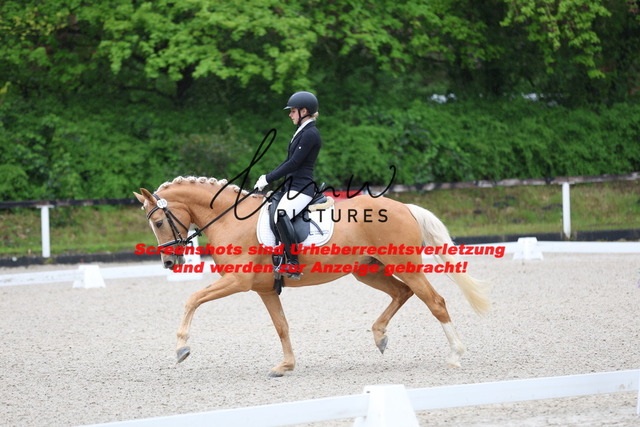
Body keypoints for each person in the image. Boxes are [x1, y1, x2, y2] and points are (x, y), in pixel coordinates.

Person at [254, 91, 322, 279]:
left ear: (304, 111)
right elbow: (288, 161)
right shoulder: (302, 131)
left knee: (281, 214)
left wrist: (268, 179)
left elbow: (294, 163)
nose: (290, 114)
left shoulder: (310, 133)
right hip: (291, 186)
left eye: (293, 111)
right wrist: (267, 177)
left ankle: (293, 263)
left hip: (301, 188)